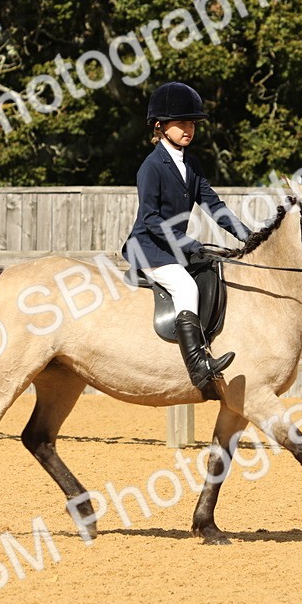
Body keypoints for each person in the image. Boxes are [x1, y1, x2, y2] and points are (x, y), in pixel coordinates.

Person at [121, 81, 252, 398]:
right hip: (150, 247)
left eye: (192, 123)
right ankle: (198, 368)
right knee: (185, 286)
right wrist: (190, 244)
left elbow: (213, 205)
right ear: (160, 126)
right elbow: (150, 218)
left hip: (174, 246)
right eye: (181, 123)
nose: (189, 129)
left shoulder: (191, 163)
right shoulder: (151, 167)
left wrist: (248, 235)